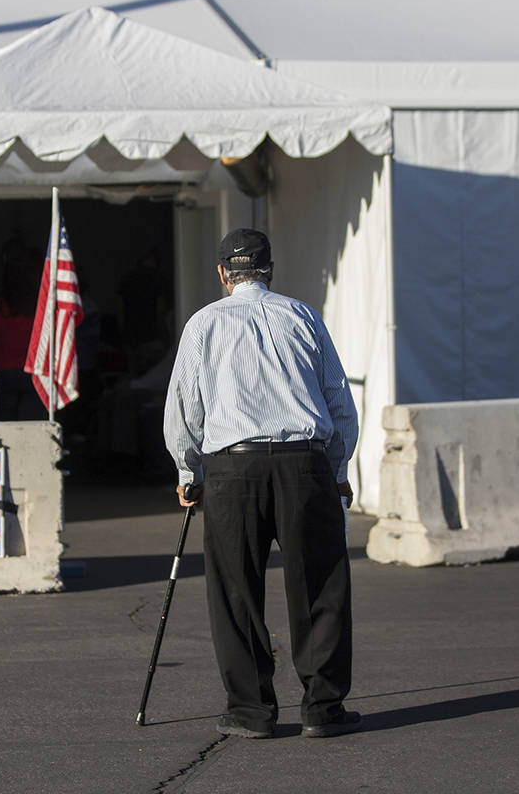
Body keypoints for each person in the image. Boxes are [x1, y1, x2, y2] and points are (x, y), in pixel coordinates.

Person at [163, 228, 360, 740]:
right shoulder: (302, 316)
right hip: (305, 462)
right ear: (270, 269)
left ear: (224, 274)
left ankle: (251, 711)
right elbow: (338, 401)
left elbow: (186, 407)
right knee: (319, 585)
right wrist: (337, 472)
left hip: (234, 468)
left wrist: (188, 472)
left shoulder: (203, 323)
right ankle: (323, 708)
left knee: (236, 591)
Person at [0, 240, 47, 421]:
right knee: (32, 426)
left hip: (5, 371)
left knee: (7, 427)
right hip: (34, 370)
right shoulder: (39, 305)